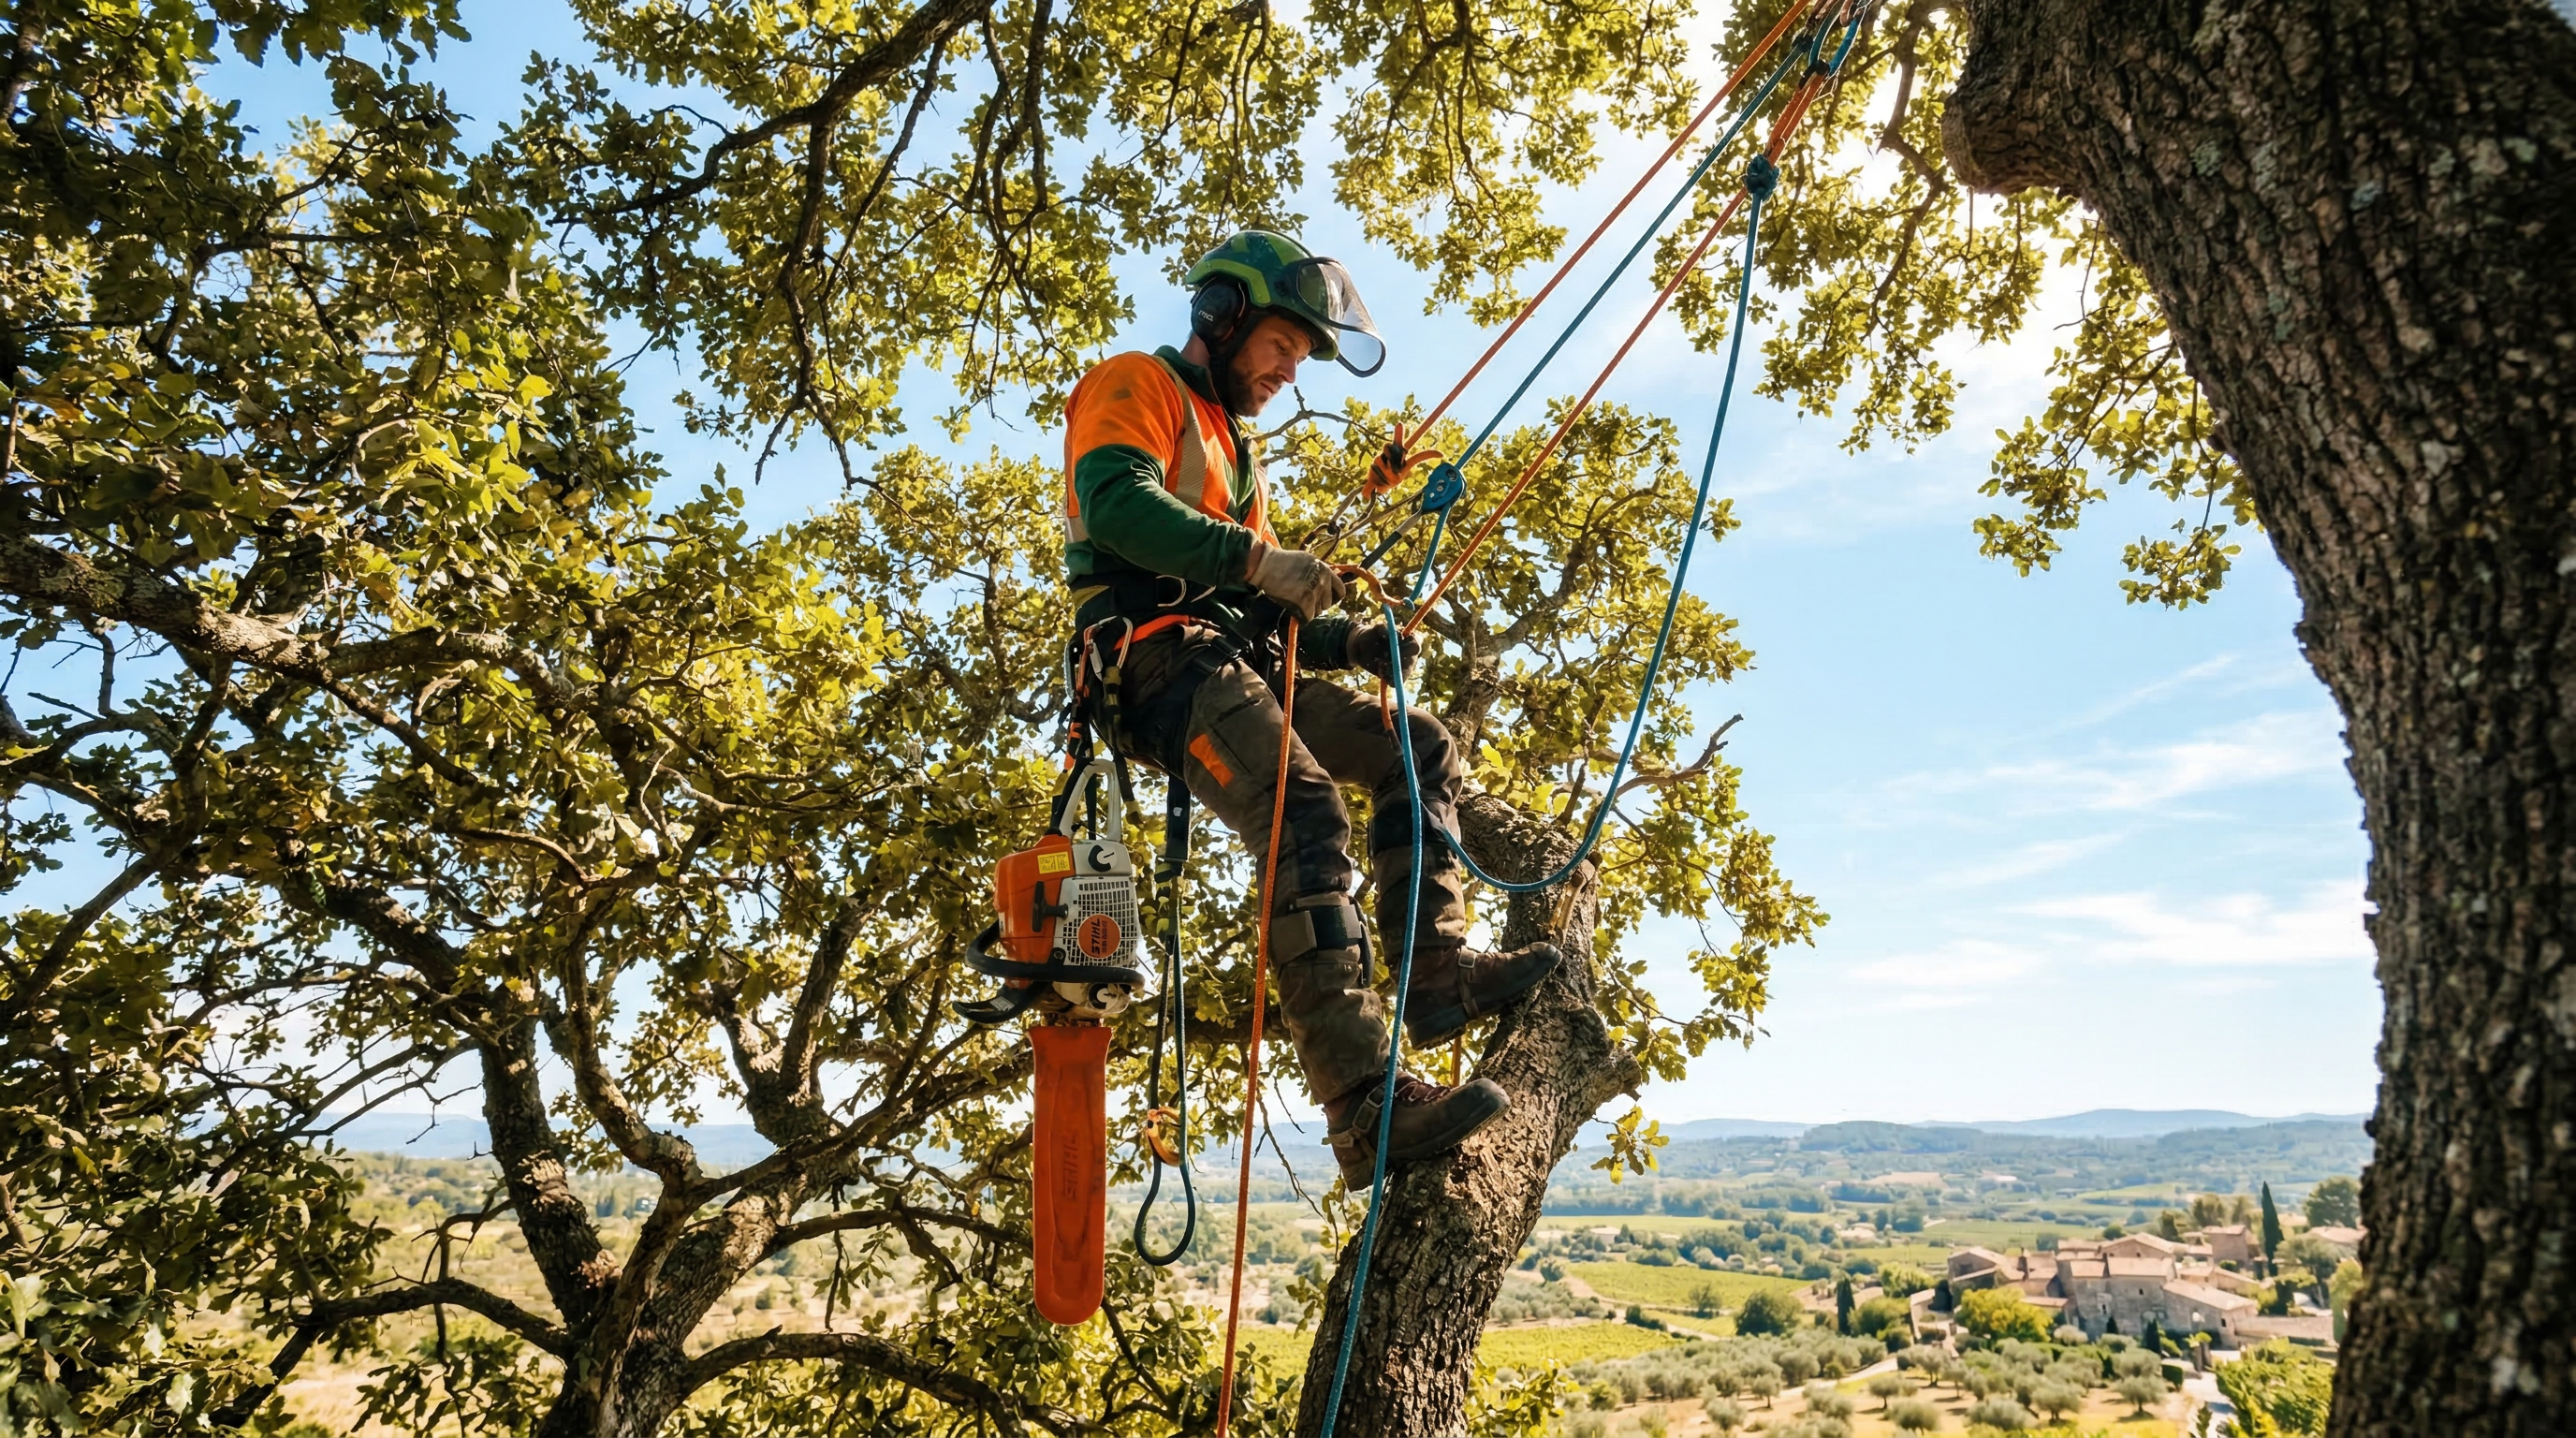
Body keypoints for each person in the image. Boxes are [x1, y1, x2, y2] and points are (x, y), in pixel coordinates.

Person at [1061, 228, 1561, 1186]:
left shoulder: (1236, 459)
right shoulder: (1138, 385)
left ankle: (1437, 973)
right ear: (1224, 317)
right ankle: (1363, 1103)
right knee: (1305, 810)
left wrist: (1347, 643)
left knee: (1413, 744)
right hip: (1153, 670)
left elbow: (1260, 607)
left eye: (1301, 357)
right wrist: (1256, 561)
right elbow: (1117, 507)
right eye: (1282, 347)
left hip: (1228, 658)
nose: (1291, 371)